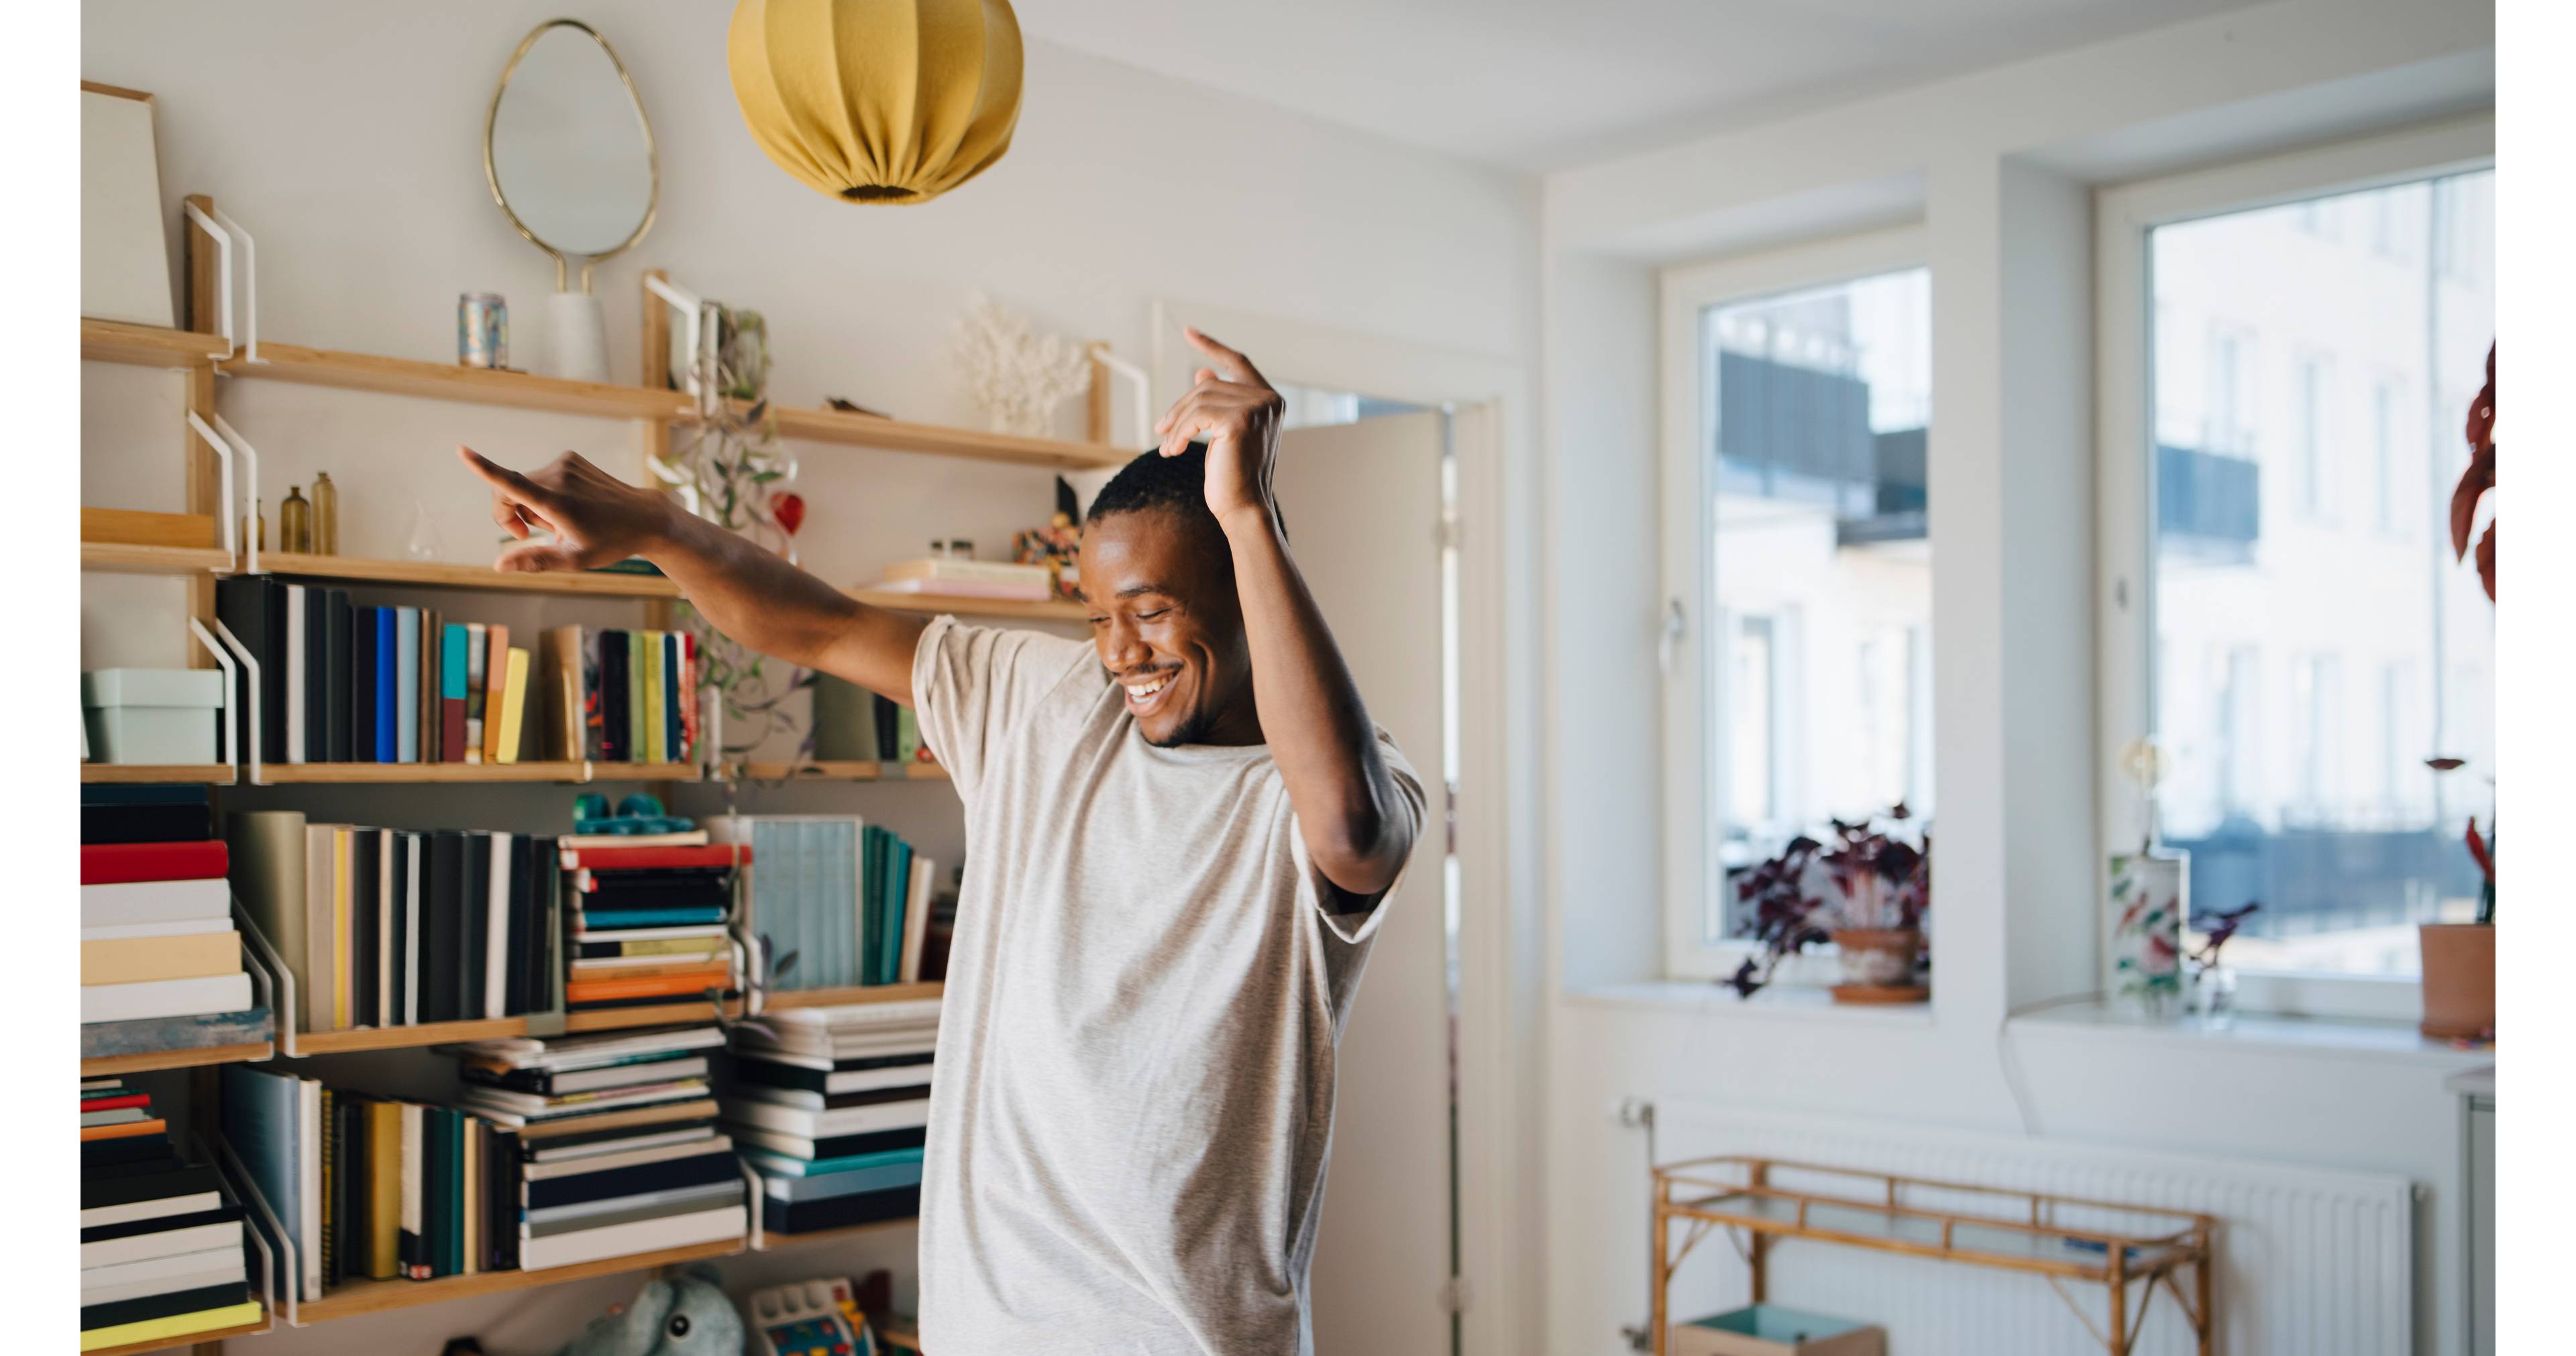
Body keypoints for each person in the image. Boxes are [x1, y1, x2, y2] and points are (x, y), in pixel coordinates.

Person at [460, 328, 1424, 1355]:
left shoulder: (1335, 781)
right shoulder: (1044, 703)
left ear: (1247, 590)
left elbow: (1353, 832)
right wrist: (656, 524)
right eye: (1099, 617)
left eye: (1151, 612)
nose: (1122, 653)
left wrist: (1246, 515)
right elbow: (819, 626)